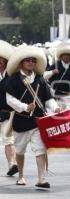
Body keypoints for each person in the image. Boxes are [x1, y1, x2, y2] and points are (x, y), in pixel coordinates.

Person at [5, 46, 61, 188]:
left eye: (33, 61)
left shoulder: (40, 80)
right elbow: (9, 99)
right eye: (28, 60)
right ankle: (21, 176)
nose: (31, 63)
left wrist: (55, 108)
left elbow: (48, 98)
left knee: (40, 149)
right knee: (19, 150)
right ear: (21, 63)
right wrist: (25, 107)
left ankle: (41, 179)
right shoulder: (13, 80)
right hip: (20, 121)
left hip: (38, 121)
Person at [0, 40, 18, 176]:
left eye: (1, 61)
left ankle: (12, 164)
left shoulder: (12, 76)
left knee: (8, 140)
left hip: (6, 112)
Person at [45, 43, 70, 111]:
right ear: (60, 56)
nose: (66, 56)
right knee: (59, 117)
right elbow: (44, 76)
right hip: (57, 96)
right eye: (64, 55)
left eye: (68, 55)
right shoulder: (55, 65)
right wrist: (52, 72)